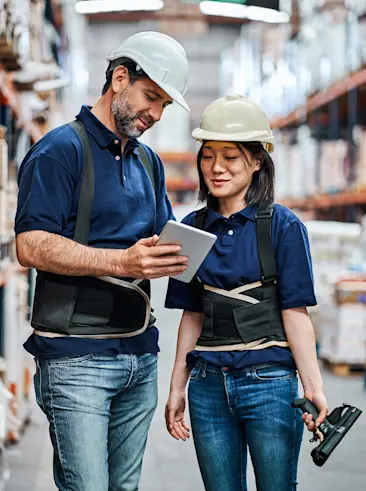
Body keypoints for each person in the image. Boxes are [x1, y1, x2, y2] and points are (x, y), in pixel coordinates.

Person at [15, 31, 189, 491]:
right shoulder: (60, 151)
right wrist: (122, 263)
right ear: (119, 78)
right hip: (77, 358)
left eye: (165, 105)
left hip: (139, 354)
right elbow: (30, 245)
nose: (155, 114)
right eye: (151, 97)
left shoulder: (148, 163)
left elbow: (162, 242)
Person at [164, 94, 328, 491]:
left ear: (256, 161)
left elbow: (295, 313)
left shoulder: (282, 228)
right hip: (207, 388)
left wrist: (313, 387)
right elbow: (192, 314)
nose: (216, 168)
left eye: (231, 157)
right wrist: (177, 387)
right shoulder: (190, 228)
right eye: (208, 155)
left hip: (269, 385)